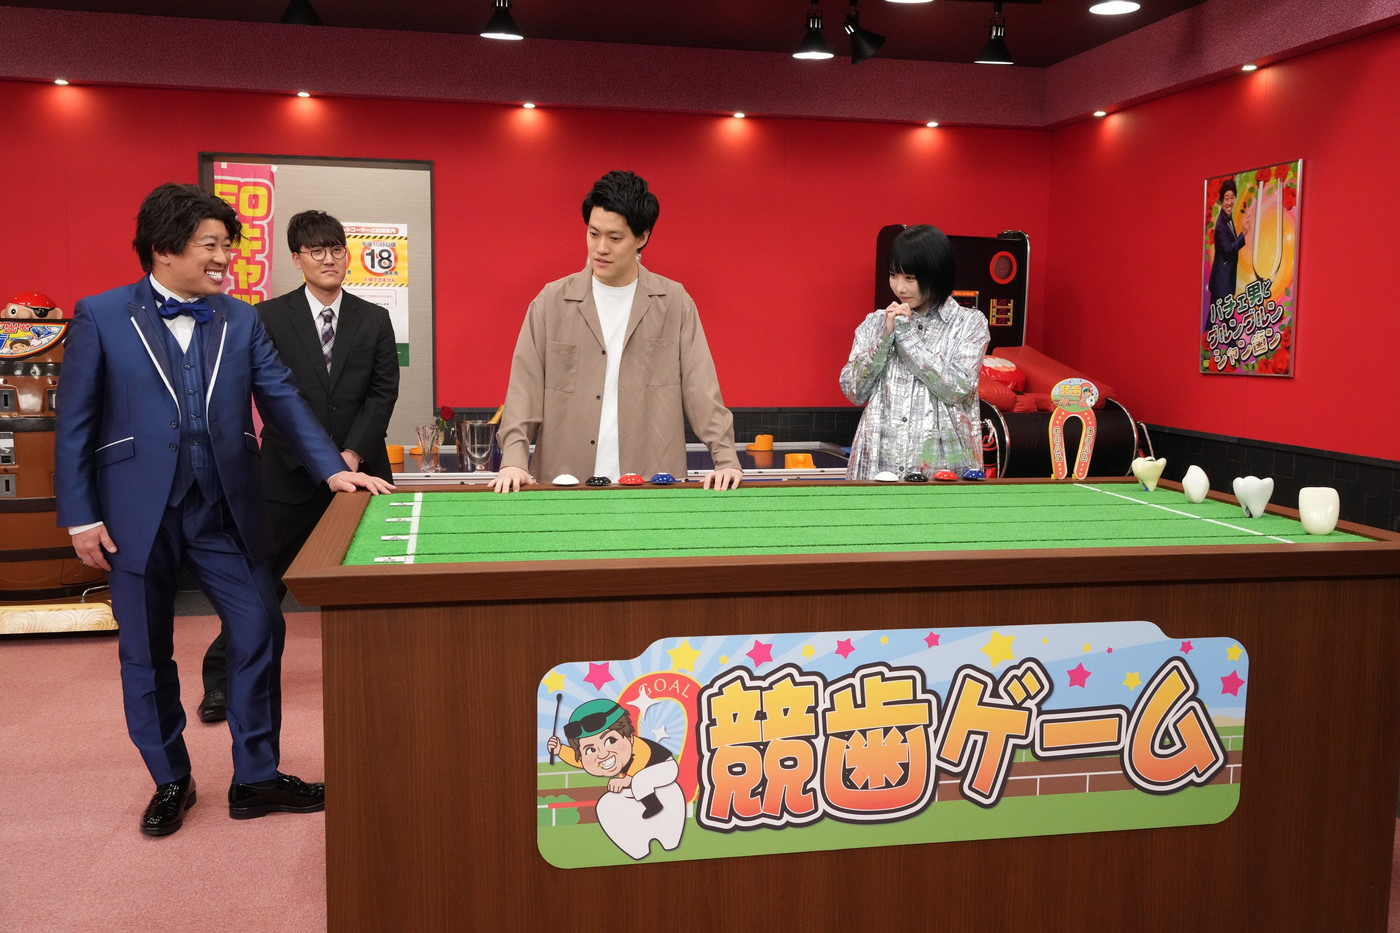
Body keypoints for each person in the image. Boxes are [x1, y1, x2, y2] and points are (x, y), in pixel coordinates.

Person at [54, 183, 395, 837]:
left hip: (223, 510)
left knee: (261, 626)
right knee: (145, 653)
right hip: (132, 515)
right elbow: (76, 421)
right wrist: (81, 514)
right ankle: (170, 779)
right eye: (210, 245)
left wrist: (332, 467)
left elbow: (283, 398)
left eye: (228, 245)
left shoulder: (242, 320)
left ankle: (256, 776)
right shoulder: (101, 315)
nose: (224, 257)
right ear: (164, 249)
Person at [196, 210, 400, 724]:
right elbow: (268, 396)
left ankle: (386, 675)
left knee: (376, 581)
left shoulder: (374, 318)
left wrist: (350, 454)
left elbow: (382, 394)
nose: (329, 259)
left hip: (363, 474)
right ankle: (222, 680)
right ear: (296, 258)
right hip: (286, 473)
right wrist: (322, 460)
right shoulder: (266, 317)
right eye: (317, 251)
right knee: (262, 584)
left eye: (337, 249)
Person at [489, 170, 742, 493]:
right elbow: (524, 387)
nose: (600, 248)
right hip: (565, 483)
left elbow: (700, 388)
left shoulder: (674, 302)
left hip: (653, 482)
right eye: (593, 234)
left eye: (615, 238)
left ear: (642, 237)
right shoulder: (551, 302)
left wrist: (725, 458)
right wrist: (513, 460)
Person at [840, 224, 989, 480]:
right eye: (893, 275)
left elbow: (957, 388)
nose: (900, 288)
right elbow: (853, 391)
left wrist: (907, 336)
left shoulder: (969, 323)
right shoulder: (876, 323)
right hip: (878, 465)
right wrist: (885, 337)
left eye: (910, 278)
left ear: (936, 274)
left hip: (943, 469)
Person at [547, 700, 684, 860]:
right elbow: (580, 760)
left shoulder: (639, 746)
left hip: (663, 767)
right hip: (645, 777)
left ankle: (654, 805)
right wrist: (560, 750)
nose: (602, 754)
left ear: (629, 737)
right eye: (590, 750)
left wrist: (627, 780)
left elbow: (642, 758)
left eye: (611, 741)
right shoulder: (593, 757)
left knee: (640, 781)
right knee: (638, 782)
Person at [1208, 178, 1253, 305]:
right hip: (1221, 283)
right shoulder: (1221, 225)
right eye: (1226, 198)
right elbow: (1228, 250)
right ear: (1222, 200)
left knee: (1220, 315)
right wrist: (1243, 233)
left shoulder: (1228, 217)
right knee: (1223, 315)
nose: (1230, 202)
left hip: (1225, 281)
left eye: (1232, 198)